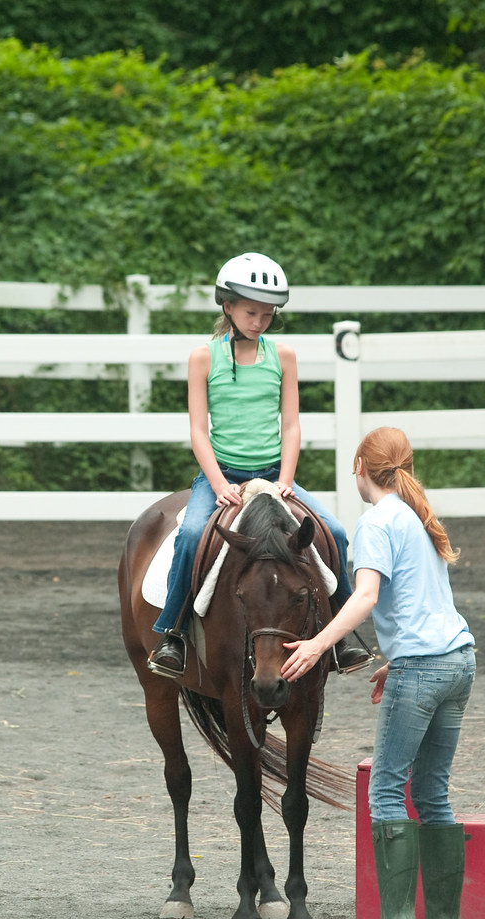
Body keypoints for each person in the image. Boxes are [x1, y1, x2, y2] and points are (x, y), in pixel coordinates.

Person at [282, 425, 475, 919]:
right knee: (432, 792)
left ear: (360, 468)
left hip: (422, 667)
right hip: (458, 661)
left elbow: (365, 597)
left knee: (387, 788)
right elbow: (427, 598)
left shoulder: (374, 523)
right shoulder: (416, 517)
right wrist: (396, 658)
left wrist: (319, 644)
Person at [147, 252, 371, 678]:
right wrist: (217, 485)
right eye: (251, 312)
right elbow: (198, 430)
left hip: (273, 474)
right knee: (192, 534)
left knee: (336, 533)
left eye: (268, 314)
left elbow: (291, 424)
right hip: (223, 475)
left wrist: (286, 479)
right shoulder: (203, 358)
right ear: (227, 306)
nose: (260, 321)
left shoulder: (283, 355)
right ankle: (171, 633)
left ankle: (340, 636)